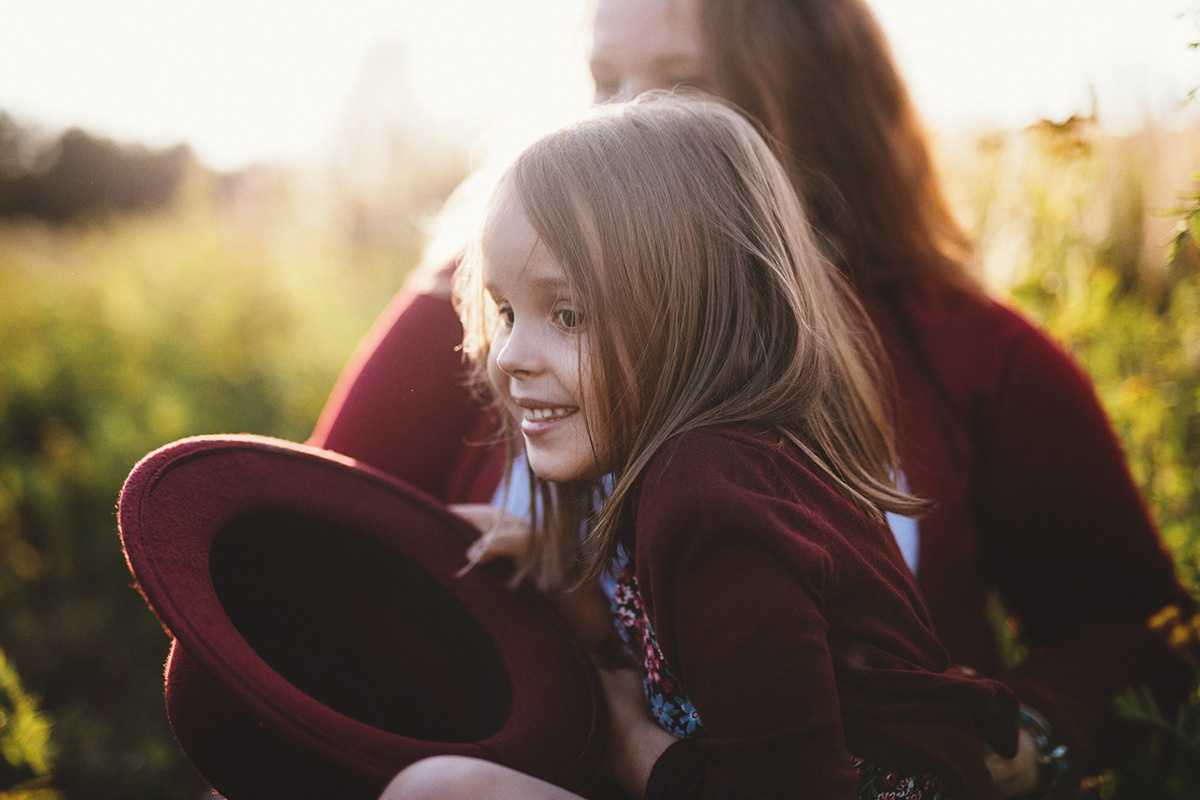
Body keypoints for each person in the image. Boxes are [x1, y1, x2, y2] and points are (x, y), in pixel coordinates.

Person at [309, 0, 1197, 795]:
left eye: (680, 87)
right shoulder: (471, 305)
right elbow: (293, 555)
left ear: (811, 99)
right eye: (602, 79)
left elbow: (1142, 628)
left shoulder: (963, 353)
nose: (621, 123)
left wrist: (1011, 746)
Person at [381, 91, 1020, 800]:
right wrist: (561, 584)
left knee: (439, 793)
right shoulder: (711, 467)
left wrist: (628, 748)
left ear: (697, 311)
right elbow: (691, 657)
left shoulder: (712, 495)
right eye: (504, 312)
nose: (509, 357)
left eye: (567, 314)